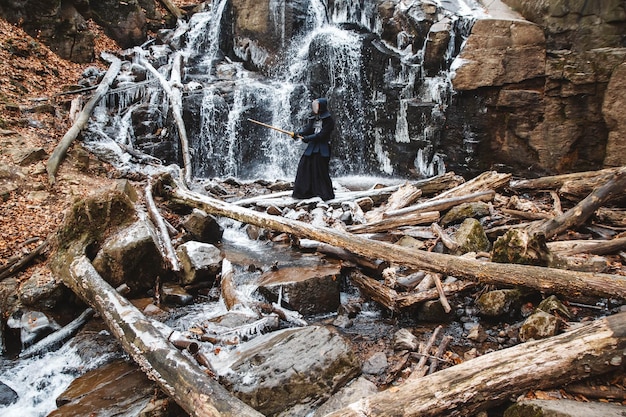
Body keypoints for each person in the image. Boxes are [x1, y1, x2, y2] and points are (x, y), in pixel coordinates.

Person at [291, 97, 336, 201]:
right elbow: (307, 130)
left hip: (322, 147)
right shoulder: (313, 119)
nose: (314, 107)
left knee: (320, 170)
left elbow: (321, 135)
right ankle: (304, 192)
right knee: (304, 166)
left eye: (316, 105)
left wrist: (308, 138)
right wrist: (297, 134)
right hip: (312, 147)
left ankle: (324, 193)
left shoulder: (329, 121)